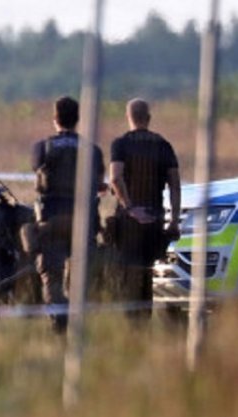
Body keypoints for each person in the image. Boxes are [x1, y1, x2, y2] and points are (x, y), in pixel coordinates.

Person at [28, 95, 105, 333]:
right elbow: (99, 182)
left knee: (52, 277)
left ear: (55, 119)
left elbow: (37, 171)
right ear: (78, 119)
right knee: (81, 277)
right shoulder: (92, 151)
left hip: (51, 222)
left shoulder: (42, 148)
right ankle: (78, 323)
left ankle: (60, 321)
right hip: (84, 223)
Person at [108, 98, 181, 321]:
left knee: (128, 275)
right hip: (154, 220)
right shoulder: (163, 145)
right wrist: (174, 220)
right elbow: (175, 184)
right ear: (148, 118)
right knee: (147, 275)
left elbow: (115, 177)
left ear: (128, 117)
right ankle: (144, 323)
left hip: (129, 223)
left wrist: (129, 207)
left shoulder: (120, 144)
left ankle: (132, 326)